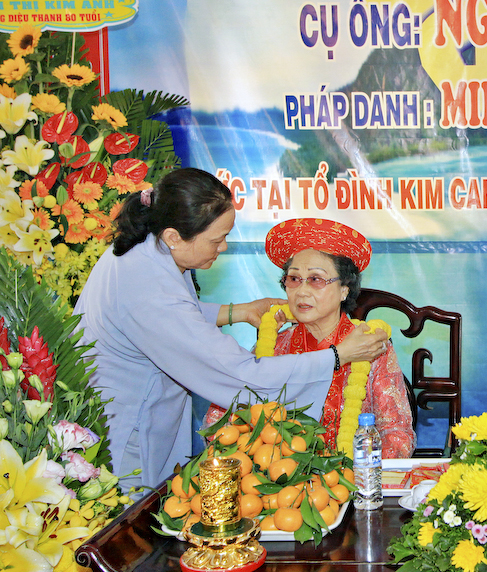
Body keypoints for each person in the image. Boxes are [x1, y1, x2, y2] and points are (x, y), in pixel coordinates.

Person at [75, 169, 388, 489]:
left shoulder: (152, 249)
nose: (223, 247)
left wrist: (239, 312)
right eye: (216, 239)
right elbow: (239, 375)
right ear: (173, 236)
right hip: (127, 428)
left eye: (317, 280)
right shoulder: (148, 284)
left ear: (345, 288)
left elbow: (181, 315)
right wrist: (336, 356)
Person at [263, 218, 415, 458]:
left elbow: (398, 435)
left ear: (344, 289)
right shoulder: (273, 347)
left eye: (316, 279)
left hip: (353, 474)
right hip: (281, 476)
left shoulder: (371, 346)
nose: (302, 291)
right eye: (293, 279)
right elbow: (221, 420)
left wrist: (355, 472)